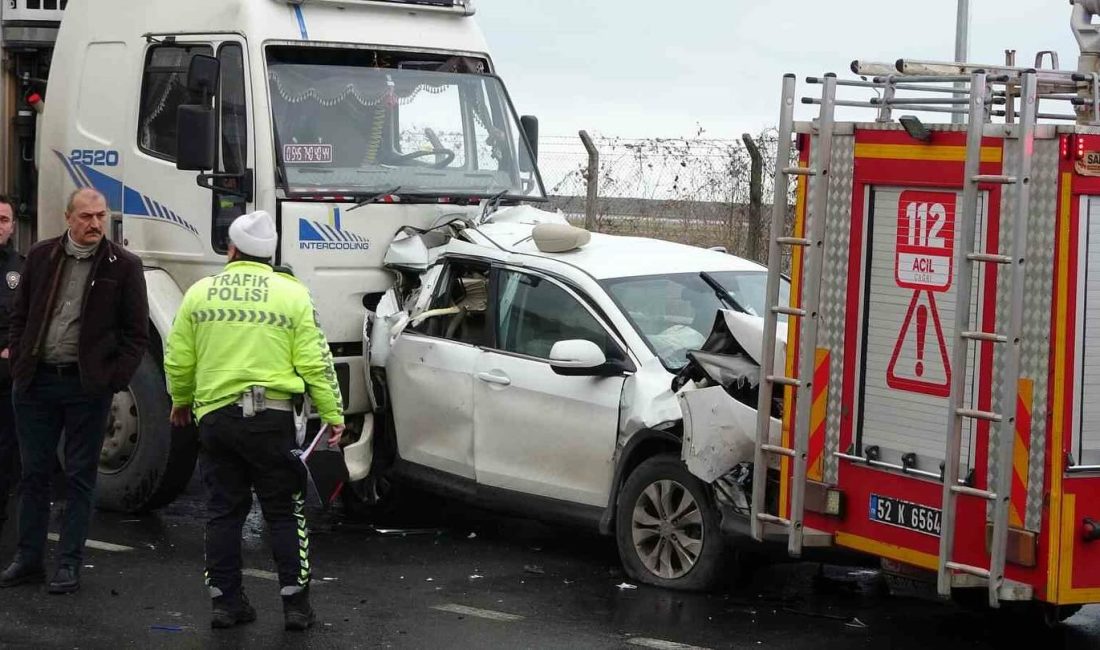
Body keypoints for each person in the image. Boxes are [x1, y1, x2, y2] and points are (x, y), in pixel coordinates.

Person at [163, 210, 344, 631]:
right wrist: (333, 416)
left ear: (231, 249)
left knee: (223, 510)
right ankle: (296, 607)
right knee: (284, 510)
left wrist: (180, 401)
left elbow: (177, 356)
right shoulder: (292, 294)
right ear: (270, 254)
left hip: (216, 419)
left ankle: (226, 603)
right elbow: (316, 362)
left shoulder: (200, 293)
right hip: (272, 420)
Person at [0, 188, 149, 594]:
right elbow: (21, 313)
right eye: (86, 216)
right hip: (36, 382)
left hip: (86, 386)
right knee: (33, 475)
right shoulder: (43, 256)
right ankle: (28, 560)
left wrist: (113, 378)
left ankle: (69, 564)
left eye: (101, 216)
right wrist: (19, 366)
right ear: (68, 218)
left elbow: (136, 335)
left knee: (80, 477)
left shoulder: (124, 266)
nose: (95, 224)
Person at [0, 197, 25, 543]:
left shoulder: (21, 267)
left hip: (7, 375)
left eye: (4, 219)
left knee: (8, 450)